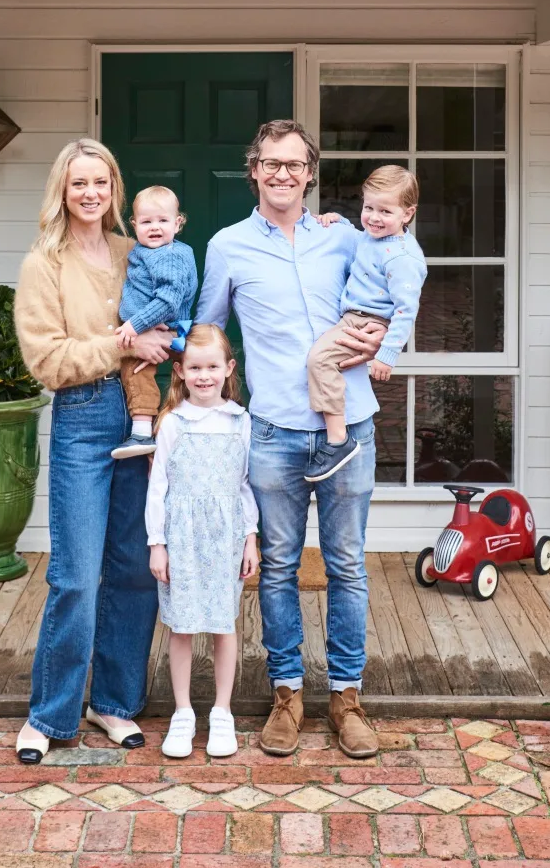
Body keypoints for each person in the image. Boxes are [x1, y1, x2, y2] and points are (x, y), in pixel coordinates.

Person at [197, 119, 385, 760]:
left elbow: (391, 291)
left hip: (349, 428)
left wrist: (386, 341)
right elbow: (209, 336)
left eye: (294, 165)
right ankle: (286, 696)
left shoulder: (347, 240)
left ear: (311, 173)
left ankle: (347, 699)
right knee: (277, 567)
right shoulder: (226, 246)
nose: (282, 174)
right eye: (271, 164)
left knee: (347, 567)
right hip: (272, 432)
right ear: (254, 169)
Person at [12, 137, 173, 763]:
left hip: (141, 415)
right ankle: (50, 714)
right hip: (82, 416)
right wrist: (124, 346)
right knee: (77, 575)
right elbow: (47, 360)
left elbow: (177, 304)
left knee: (133, 570)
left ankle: (113, 703)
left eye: (100, 183)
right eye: (79, 183)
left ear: (114, 190)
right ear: (62, 189)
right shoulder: (43, 264)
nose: (90, 194)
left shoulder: (136, 252)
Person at [145, 324, 260, 760]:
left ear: (229, 368)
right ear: (180, 371)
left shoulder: (239, 420)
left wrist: (250, 538)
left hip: (225, 535)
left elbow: (246, 484)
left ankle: (222, 712)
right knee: (182, 623)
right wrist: (158, 543)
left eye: (213, 366)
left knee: (223, 622)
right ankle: (182, 713)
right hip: (183, 536)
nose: (204, 375)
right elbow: (158, 487)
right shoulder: (173, 423)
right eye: (195, 367)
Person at [305, 165, 427, 484]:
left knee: (319, 361)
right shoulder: (376, 238)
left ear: (407, 213)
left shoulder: (403, 259)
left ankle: (337, 439)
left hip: (365, 322)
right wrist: (339, 220)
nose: (373, 217)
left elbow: (405, 310)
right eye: (368, 207)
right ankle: (337, 434)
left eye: (384, 210)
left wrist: (387, 353)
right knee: (322, 360)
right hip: (355, 316)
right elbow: (362, 241)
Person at [112, 185, 199, 460]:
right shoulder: (148, 251)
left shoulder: (168, 255)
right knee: (173, 372)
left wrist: (134, 326)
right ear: (134, 225)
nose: (155, 228)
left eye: (163, 221)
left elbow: (168, 301)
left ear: (178, 223)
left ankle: (141, 431)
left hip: (168, 328)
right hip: (166, 327)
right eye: (147, 222)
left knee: (135, 368)